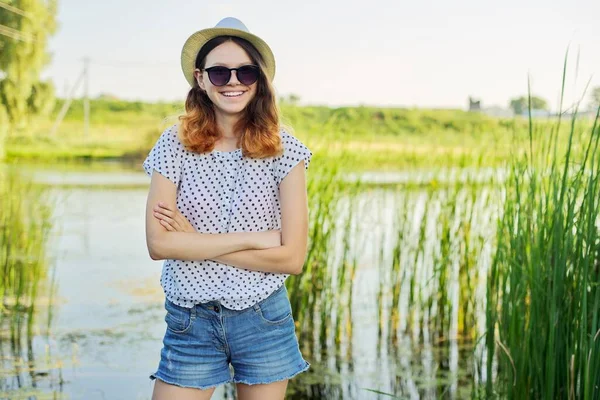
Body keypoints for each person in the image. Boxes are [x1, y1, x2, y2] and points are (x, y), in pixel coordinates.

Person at [142, 17, 312, 400]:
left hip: (263, 318)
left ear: (259, 79)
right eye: (219, 72)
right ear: (201, 79)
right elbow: (159, 245)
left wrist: (196, 242)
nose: (232, 81)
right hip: (191, 320)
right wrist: (259, 239)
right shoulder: (173, 145)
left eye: (245, 71)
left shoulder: (287, 151)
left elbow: (292, 258)